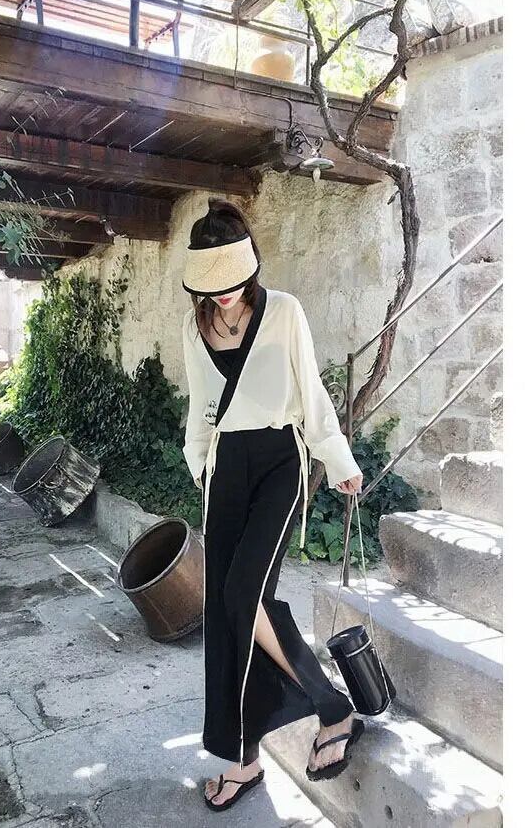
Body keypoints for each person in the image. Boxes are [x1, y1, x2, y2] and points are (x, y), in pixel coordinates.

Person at [180, 199, 366, 812]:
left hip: (279, 463)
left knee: (243, 595)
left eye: (234, 279)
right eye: (213, 283)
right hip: (224, 470)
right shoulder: (194, 328)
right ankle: (243, 759)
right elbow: (200, 407)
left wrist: (338, 460)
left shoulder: (284, 311)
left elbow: (311, 392)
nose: (225, 292)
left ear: (250, 265)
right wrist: (200, 467)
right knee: (224, 610)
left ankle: (333, 709)